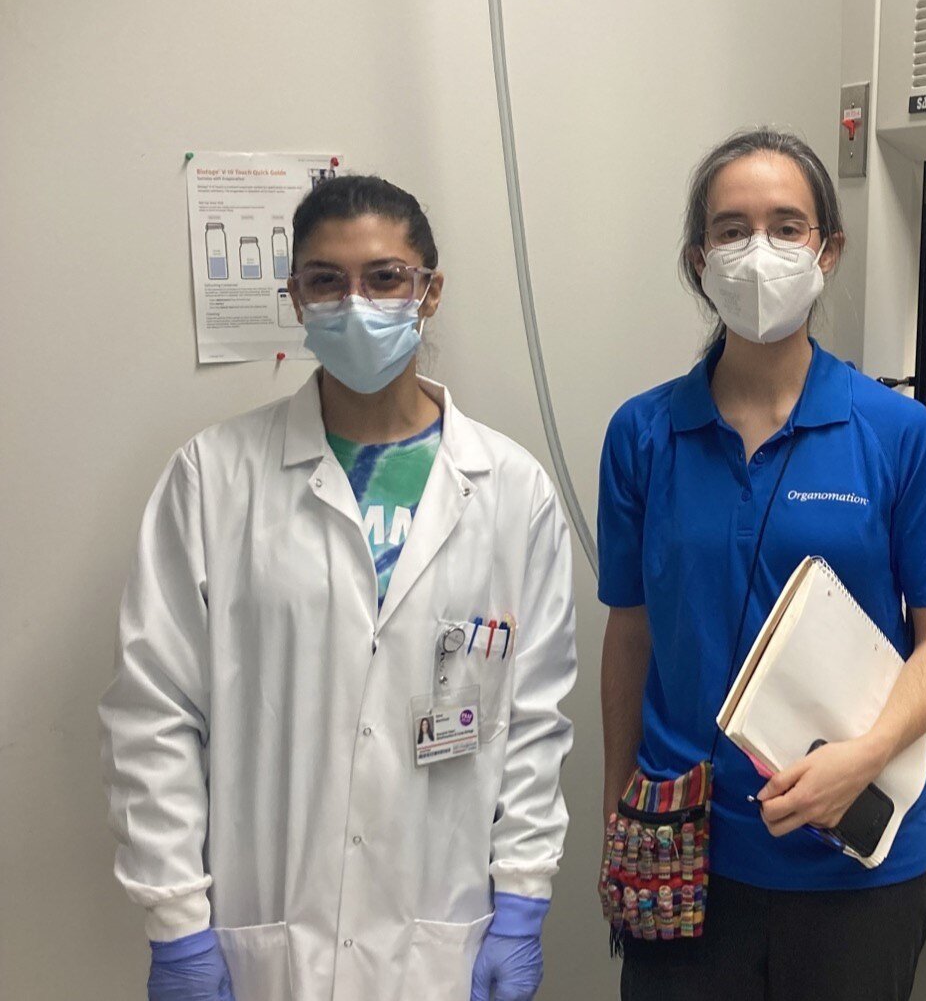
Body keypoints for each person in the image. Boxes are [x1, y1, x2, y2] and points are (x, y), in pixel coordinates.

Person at [100, 176, 577, 1001]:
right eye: (328, 280)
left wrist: (523, 900)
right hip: (268, 930)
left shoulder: (511, 488)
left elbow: (533, 718)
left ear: (431, 291)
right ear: (296, 297)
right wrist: (176, 920)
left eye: (386, 276)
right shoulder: (214, 477)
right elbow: (155, 713)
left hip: (441, 930)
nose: (357, 302)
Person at [597, 129, 926, 1001]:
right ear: (699, 260)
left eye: (786, 225)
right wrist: (617, 815)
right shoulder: (642, 435)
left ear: (828, 249)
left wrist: (868, 751)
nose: (757, 251)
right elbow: (630, 639)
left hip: (851, 863)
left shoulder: (894, 434)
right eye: (731, 230)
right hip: (684, 851)